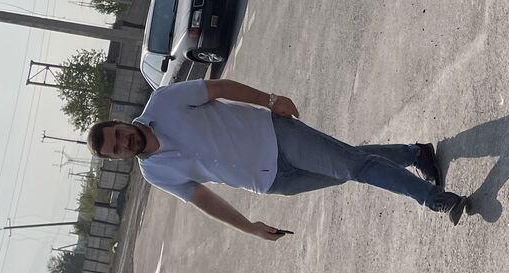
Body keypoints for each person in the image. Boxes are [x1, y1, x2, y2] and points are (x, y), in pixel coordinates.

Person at [88, 78, 469, 237]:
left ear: (119, 122)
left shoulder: (163, 102)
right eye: (116, 149)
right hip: (271, 181)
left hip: (276, 137)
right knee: (351, 166)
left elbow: (218, 87)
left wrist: (270, 100)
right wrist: (249, 226)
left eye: (118, 134)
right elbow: (202, 198)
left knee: (352, 166)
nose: (124, 143)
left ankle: (436, 199)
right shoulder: (155, 172)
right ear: (118, 159)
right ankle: (416, 153)